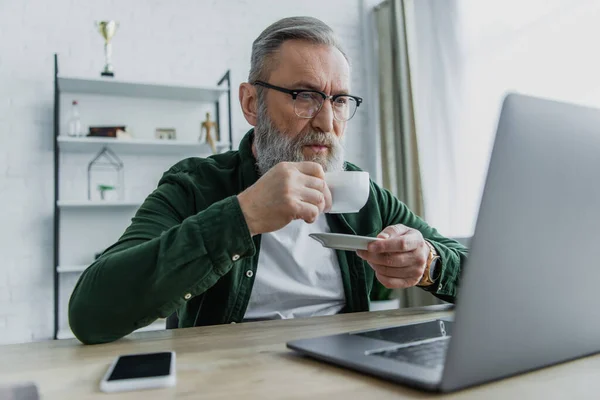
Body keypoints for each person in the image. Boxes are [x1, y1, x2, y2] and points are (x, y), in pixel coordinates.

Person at [69, 16, 468, 344]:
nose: (327, 123)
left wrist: (428, 263)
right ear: (250, 103)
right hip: (226, 378)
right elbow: (90, 312)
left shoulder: (361, 195)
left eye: (340, 100)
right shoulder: (194, 184)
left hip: (344, 377)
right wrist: (243, 216)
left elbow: (476, 273)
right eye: (304, 96)